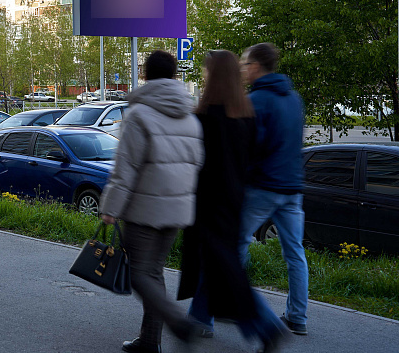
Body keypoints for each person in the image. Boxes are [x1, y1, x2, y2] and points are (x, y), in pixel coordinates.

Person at [178, 50, 287, 352]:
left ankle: (264, 327)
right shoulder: (246, 117)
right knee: (219, 267)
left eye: (204, 72)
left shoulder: (204, 117)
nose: (201, 76)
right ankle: (197, 321)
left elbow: (194, 163)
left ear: (214, 76)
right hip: (234, 201)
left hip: (208, 204)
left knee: (225, 270)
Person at [99, 50, 204, 353]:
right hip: (178, 210)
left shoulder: (138, 115)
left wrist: (109, 209)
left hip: (144, 210)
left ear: (144, 74)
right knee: (153, 273)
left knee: (138, 274)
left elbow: (125, 169)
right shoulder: (190, 116)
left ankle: (178, 323)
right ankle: (149, 341)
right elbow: (197, 164)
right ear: (175, 75)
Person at [238, 42, 308, 335]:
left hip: (263, 188)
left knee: (234, 245)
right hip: (293, 187)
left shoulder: (256, 101)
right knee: (295, 252)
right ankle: (298, 317)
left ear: (256, 67)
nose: (242, 69)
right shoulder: (294, 99)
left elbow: (250, 149)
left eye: (244, 64)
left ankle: (240, 309)